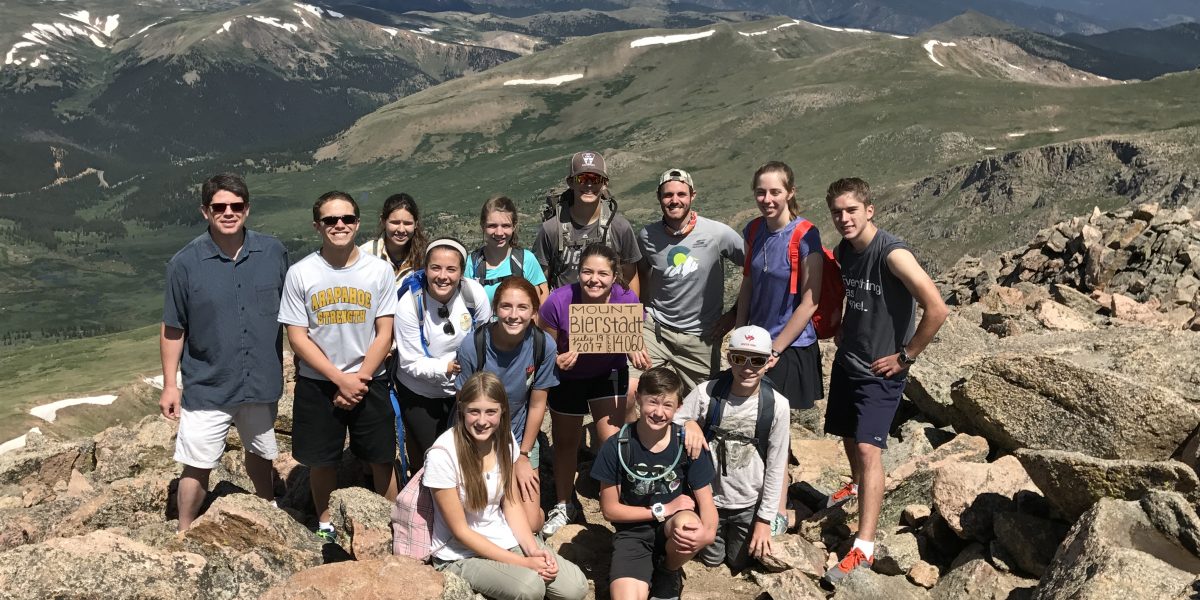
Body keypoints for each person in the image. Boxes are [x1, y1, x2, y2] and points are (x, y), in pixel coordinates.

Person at [820, 177, 948, 585]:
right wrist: (843, 324)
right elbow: (852, 294)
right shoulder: (845, 250)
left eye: (851, 210)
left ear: (869, 210)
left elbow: (937, 308)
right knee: (846, 432)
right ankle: (857, 486)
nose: (844, 218)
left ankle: (864, 545)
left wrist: (906, 356)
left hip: (880, 371)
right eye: (837, 212)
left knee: (868, 448)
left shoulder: (893, 254)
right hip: (849, 360)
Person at [160, 173, 288, 531]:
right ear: (205, 211)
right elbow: (173, 327)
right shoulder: (184, 264)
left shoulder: (273, 252)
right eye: (219, 207)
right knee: (197, 462)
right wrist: (170, 385)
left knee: (261, 452)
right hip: (208, 384)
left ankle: (267, 511)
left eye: (236, 205)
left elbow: (292, 312)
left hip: (260, 380)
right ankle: (184, 530)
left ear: (247, 209)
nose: (228, 212)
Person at [278, 191, 399, 542]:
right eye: (330, 220)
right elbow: (297, 337)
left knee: (380, 457)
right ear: (317, 226)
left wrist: (358, 379)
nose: (339, 225)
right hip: (319, 382)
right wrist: (339, 380)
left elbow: (385, 332)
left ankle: (391, 525)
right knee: (322, 460)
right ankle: (326, 527)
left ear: (358, 224)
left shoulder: (379, 271)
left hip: (369, 378)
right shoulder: (301, 273)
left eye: (347, 218)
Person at [425, 371, 588, 600]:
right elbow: (461, 531)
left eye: (491, 412)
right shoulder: (443, 454)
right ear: (461, 410)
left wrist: (533, 549)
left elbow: (511, 503)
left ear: (502, 411)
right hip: (460, 554)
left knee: (575, 587)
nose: (482, 421)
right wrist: (523, 563)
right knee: (530, 588)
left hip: (503, 536)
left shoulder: (504, 439)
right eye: (474, 411)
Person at [538, 243, 651, 537]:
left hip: (608, 374)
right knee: (565, 443)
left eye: (602, 274)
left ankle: (618, 503)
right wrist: (556, 359)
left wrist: (635, 349)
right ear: (578, 272)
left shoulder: (626, 299)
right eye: (587, 272)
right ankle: (564, 504)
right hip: (569, 377)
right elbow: (545, 347)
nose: (594, 279)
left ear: (614, 276)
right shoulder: (558, 301)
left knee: (612, 441)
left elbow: (633, 340)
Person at [590, 367, 718, 600]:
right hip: (633, 533)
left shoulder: (687, 444)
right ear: (638, 398)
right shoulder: (618, 445)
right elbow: (610, 510)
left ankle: (668, 570)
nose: (659, 412)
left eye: (668, 405)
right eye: (652, 402)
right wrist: (662, 509)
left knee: (690, 525)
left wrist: (707, 534)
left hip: (673, 526)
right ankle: (638, 570)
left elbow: (706, 501)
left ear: (678, 407)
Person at [675, 326, 790, 571]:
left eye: (757, 360)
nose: (747, 368)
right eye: (739, 358)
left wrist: (764, 519)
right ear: (729, 358)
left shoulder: (778, 406)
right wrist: (688, 423)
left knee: (740, 561)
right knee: (712, 560)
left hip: (749, 502)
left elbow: (777, 465)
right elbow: (673, 419)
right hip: (709, 499)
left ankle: (785, 517)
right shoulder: (707, 393)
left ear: (768, 362)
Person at [456, 276, 558, 530]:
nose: (514, 315)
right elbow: (463, 406)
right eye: (506, 306)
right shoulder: (473, 346)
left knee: (531, 523)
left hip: (519, 436)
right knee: (477, 513)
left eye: (522, 307)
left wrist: (522, 455)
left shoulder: (542, 345)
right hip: (477, 435)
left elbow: (537, 404)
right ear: (495, 309)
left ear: (534, 312)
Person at [635, 168, 744, 394]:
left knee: (704, 402)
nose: (674, 200)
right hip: (655, 331)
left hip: (701, 338)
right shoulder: (647, 236)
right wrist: (638, 318)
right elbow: (638, 275)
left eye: (681, 194)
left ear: (692, 196)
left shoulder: (718, 234)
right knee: (632, 389)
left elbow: (755, 270)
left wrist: (734, 314)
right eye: (668, 195)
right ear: (659, 197)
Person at [393, 238, 493, 469]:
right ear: (426, 269)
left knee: (467, 451)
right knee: (434, 456)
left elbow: (485, 337)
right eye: (435, 268)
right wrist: (447, 367)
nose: (442, 276)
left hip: (463, 388)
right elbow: (410, 362)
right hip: (420, 393)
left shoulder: (473, 294)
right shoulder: (410, 304)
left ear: (461, 272)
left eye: (451, 269)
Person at [735, 161, 825, 412]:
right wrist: (739, 334)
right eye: (761, 192)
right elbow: (748, 282)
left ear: (790, 192)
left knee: (777, 422)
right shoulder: (753, 230)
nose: (767, 199)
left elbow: (810, 302)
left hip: (789, 346)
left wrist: (774, 351)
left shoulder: (806, 236)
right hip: (755, 344)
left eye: (775, 192)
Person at [535, 150, 641, 294]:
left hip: (609, 307)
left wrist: (632, 307)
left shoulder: (620, 227)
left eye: (595, 179)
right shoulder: (551, 229)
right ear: (570, 182)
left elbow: (630, 277)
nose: (589, 185)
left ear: (604, 184)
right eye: (582, 178)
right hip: (563, 307)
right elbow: (539, 282)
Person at [466, 195, 549, 303]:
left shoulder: (526, 260)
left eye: (505, 226)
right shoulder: (471, 264)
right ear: (483, 226)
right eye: (492, 226)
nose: (499, 232)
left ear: (514, 226)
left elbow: (542, 298)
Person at [360, 192, 427, 286]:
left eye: (407, 223)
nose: (401, 229)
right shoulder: (365, 254)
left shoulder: (426, 256)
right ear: (383, 221)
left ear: (416, 224)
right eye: (395, 223)